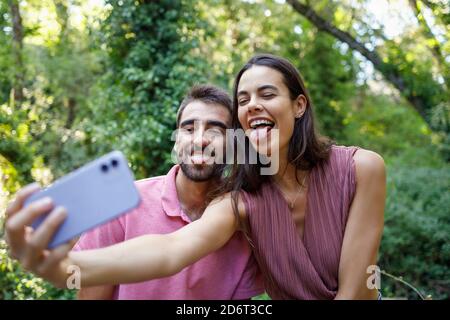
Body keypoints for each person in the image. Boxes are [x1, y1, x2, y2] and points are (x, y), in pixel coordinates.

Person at [5, 54, 386, 299]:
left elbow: (355, 290)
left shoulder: (360, 169)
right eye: (243, 99)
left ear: (298, 105)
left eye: (267, 94)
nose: (253, 105)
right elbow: (171, 251)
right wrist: (67, 269)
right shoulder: (242, 201)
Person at [4, 84, 263, 300]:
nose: (200, 139)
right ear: (176, 139)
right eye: (188, 128)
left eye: (215, 130)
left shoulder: (241, 218)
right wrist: (59, 268)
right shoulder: (121, 206)